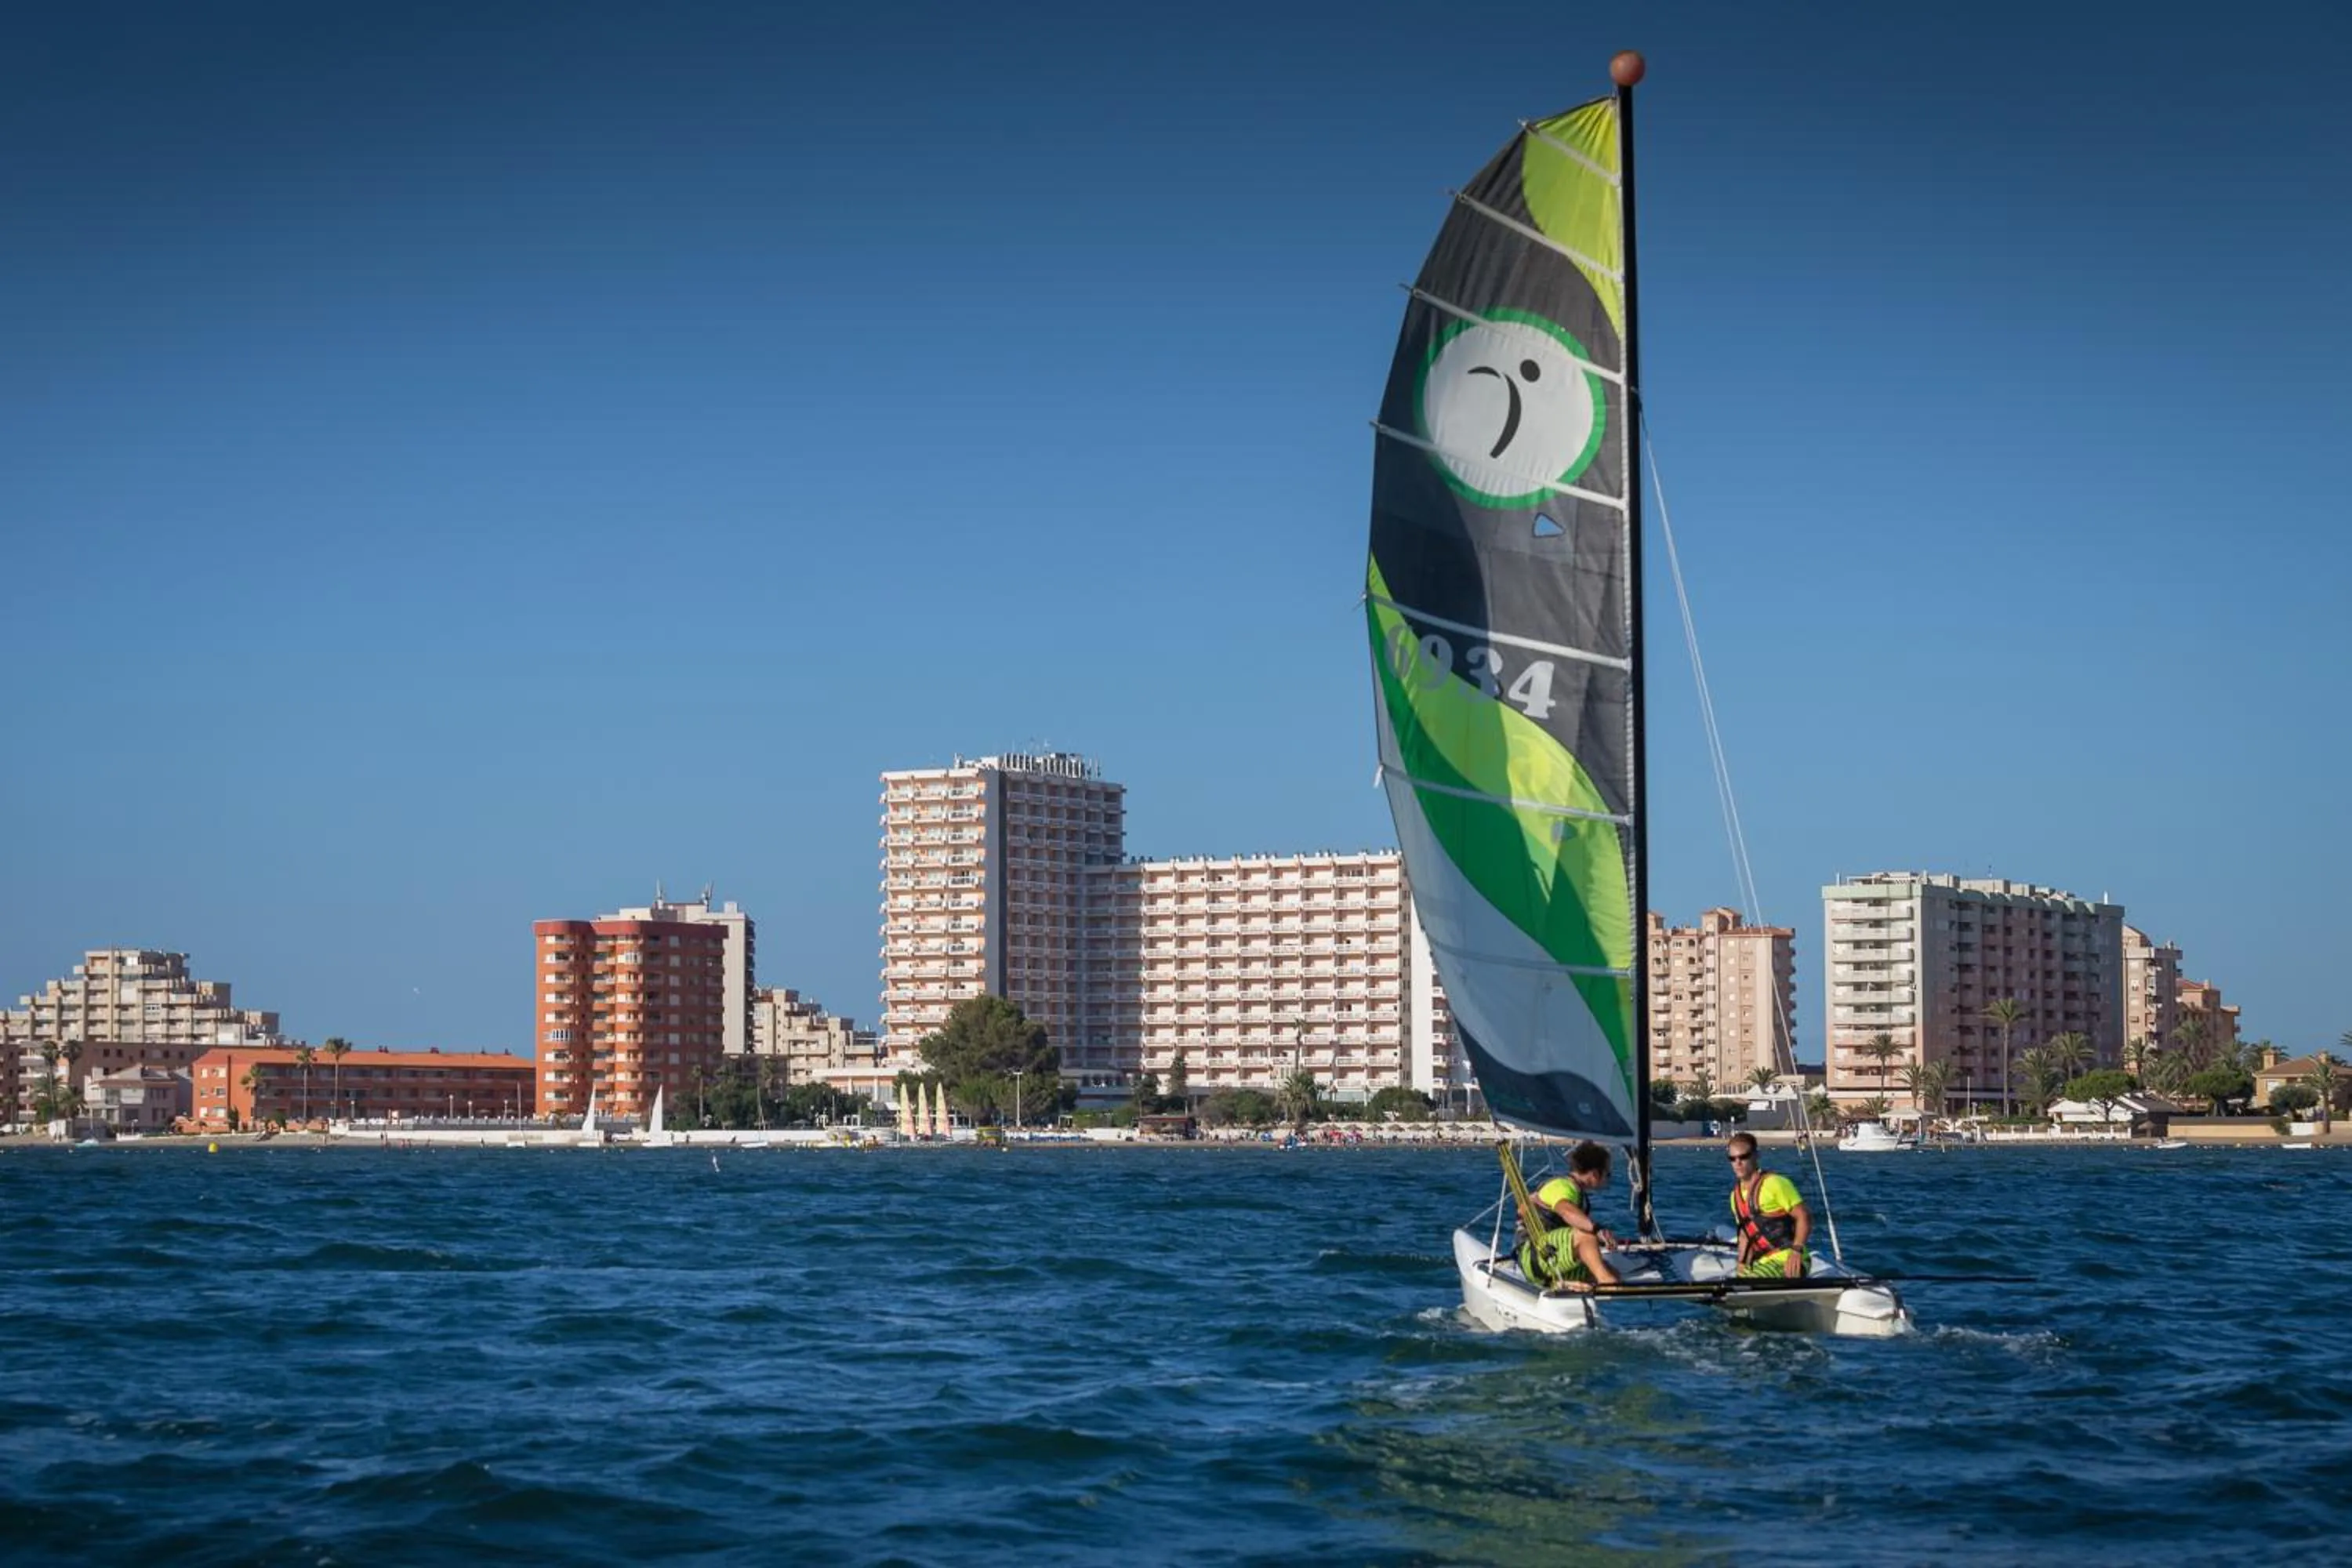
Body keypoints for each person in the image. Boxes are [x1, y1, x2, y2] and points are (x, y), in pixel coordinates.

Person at [1515, 1140, 1622, 1289]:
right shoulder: (1563, 1187)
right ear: (1595, 1174)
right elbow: (1565, 1210)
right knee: (1586, 1236)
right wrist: (1597, 1229)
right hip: (1536, 1257)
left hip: (1550, 1257)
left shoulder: (1575, 1191)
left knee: (1613, 1272)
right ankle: (1608, 1284)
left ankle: (1571, 1285)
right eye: (1607, 1174)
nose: (1608, 1179)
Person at [1725, 1132, 1810, 1277]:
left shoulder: (1775, 1183)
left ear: (1756, 1156)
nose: (1738, 1163)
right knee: (1736, 1283)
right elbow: (1746, 1236)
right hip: (1763, 1262)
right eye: (1732, 1159)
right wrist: (1741, 1263)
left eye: (1743, 1157)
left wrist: (1797, 1251)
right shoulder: (1735, 1197)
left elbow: (1803, 1216)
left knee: (1744, 1285)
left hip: (1790, 1260)